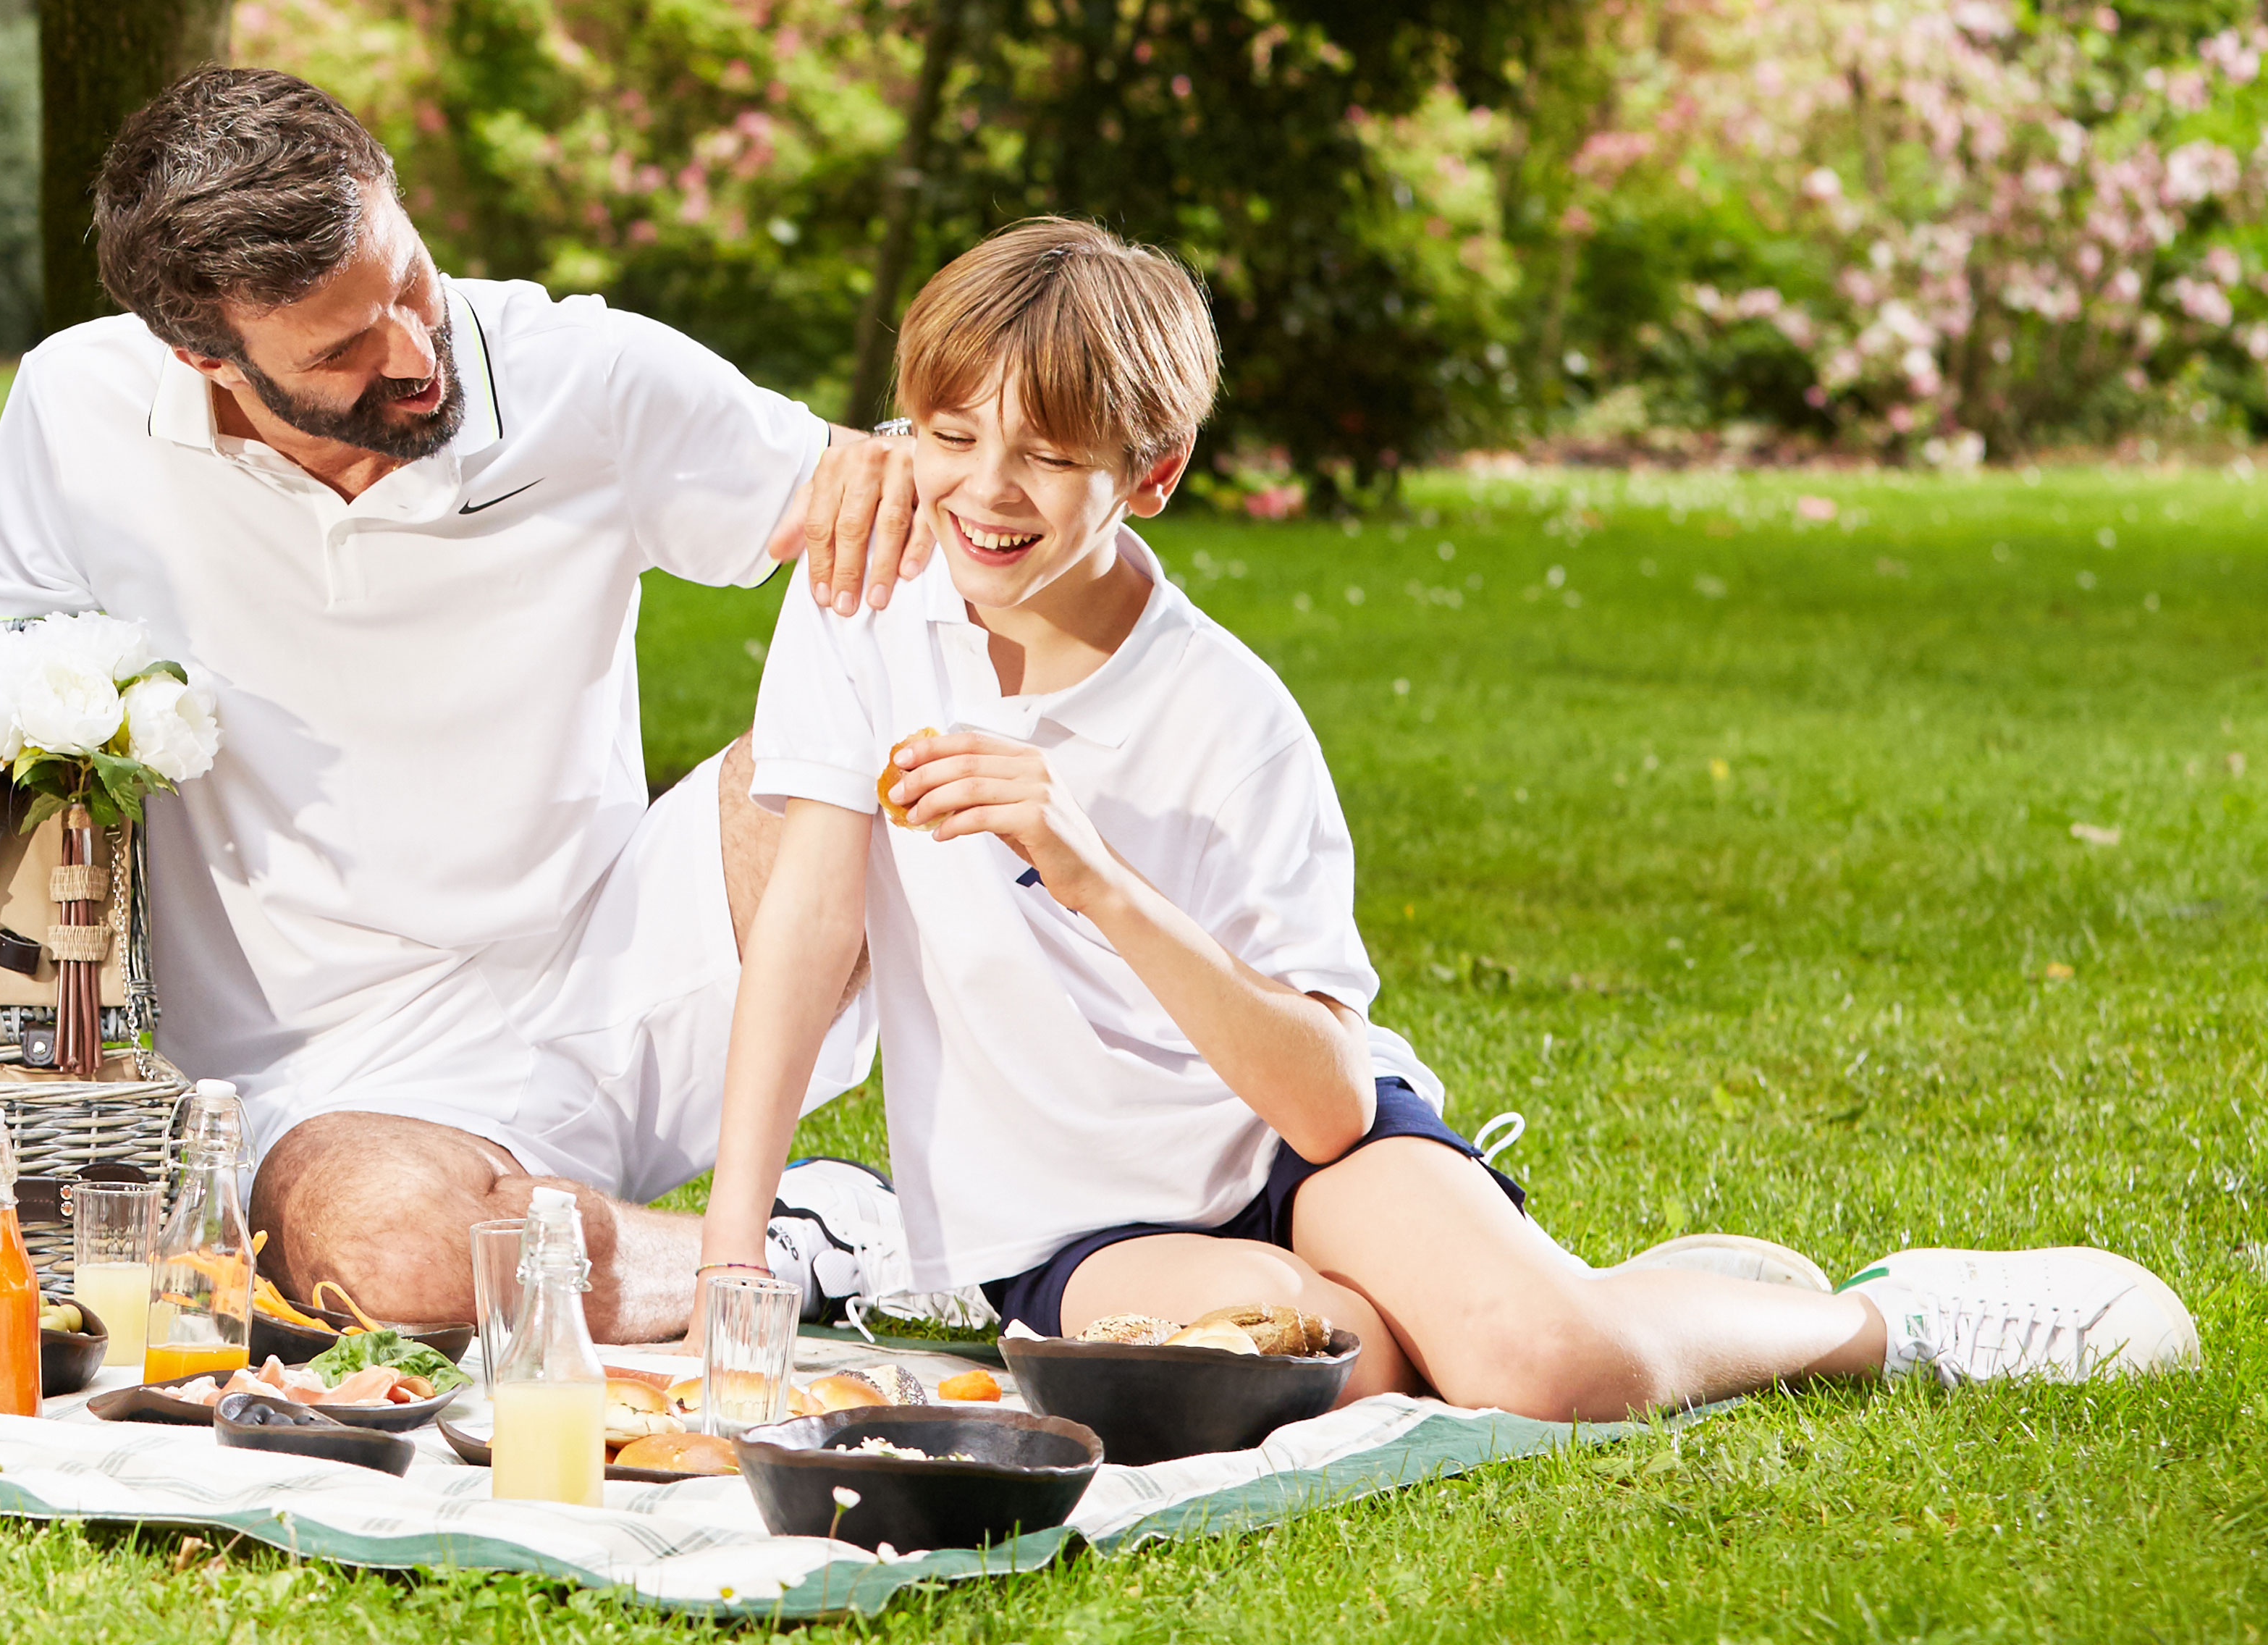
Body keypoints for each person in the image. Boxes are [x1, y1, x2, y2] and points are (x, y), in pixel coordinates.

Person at [698, 217, 2200, 1410]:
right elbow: (809, 925)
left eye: (1047, 455)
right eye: (948, 436)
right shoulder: (865, 610)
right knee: (1337, 1359)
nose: (982, 490)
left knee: (1557, 1375)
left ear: (1149, 476)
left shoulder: (1231, 717)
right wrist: (728, 1258)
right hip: (1069, 1228)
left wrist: (1084, 870)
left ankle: (1880, 1316)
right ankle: (1579, 1283)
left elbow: (1326, 1106)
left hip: (1311, 1154)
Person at [0, 66, 940, 1345]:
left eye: (411, 285)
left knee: (886, 763)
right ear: (203, 352)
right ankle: (820, 1246)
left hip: (630, 955)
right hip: (332, 1072)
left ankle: (1038, 1198)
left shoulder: (583, 376)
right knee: (391, 1258)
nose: (418, 355)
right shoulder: (74, 412)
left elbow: (875, 504)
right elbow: (24, 759)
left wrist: (902, 456)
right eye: (342, 347)